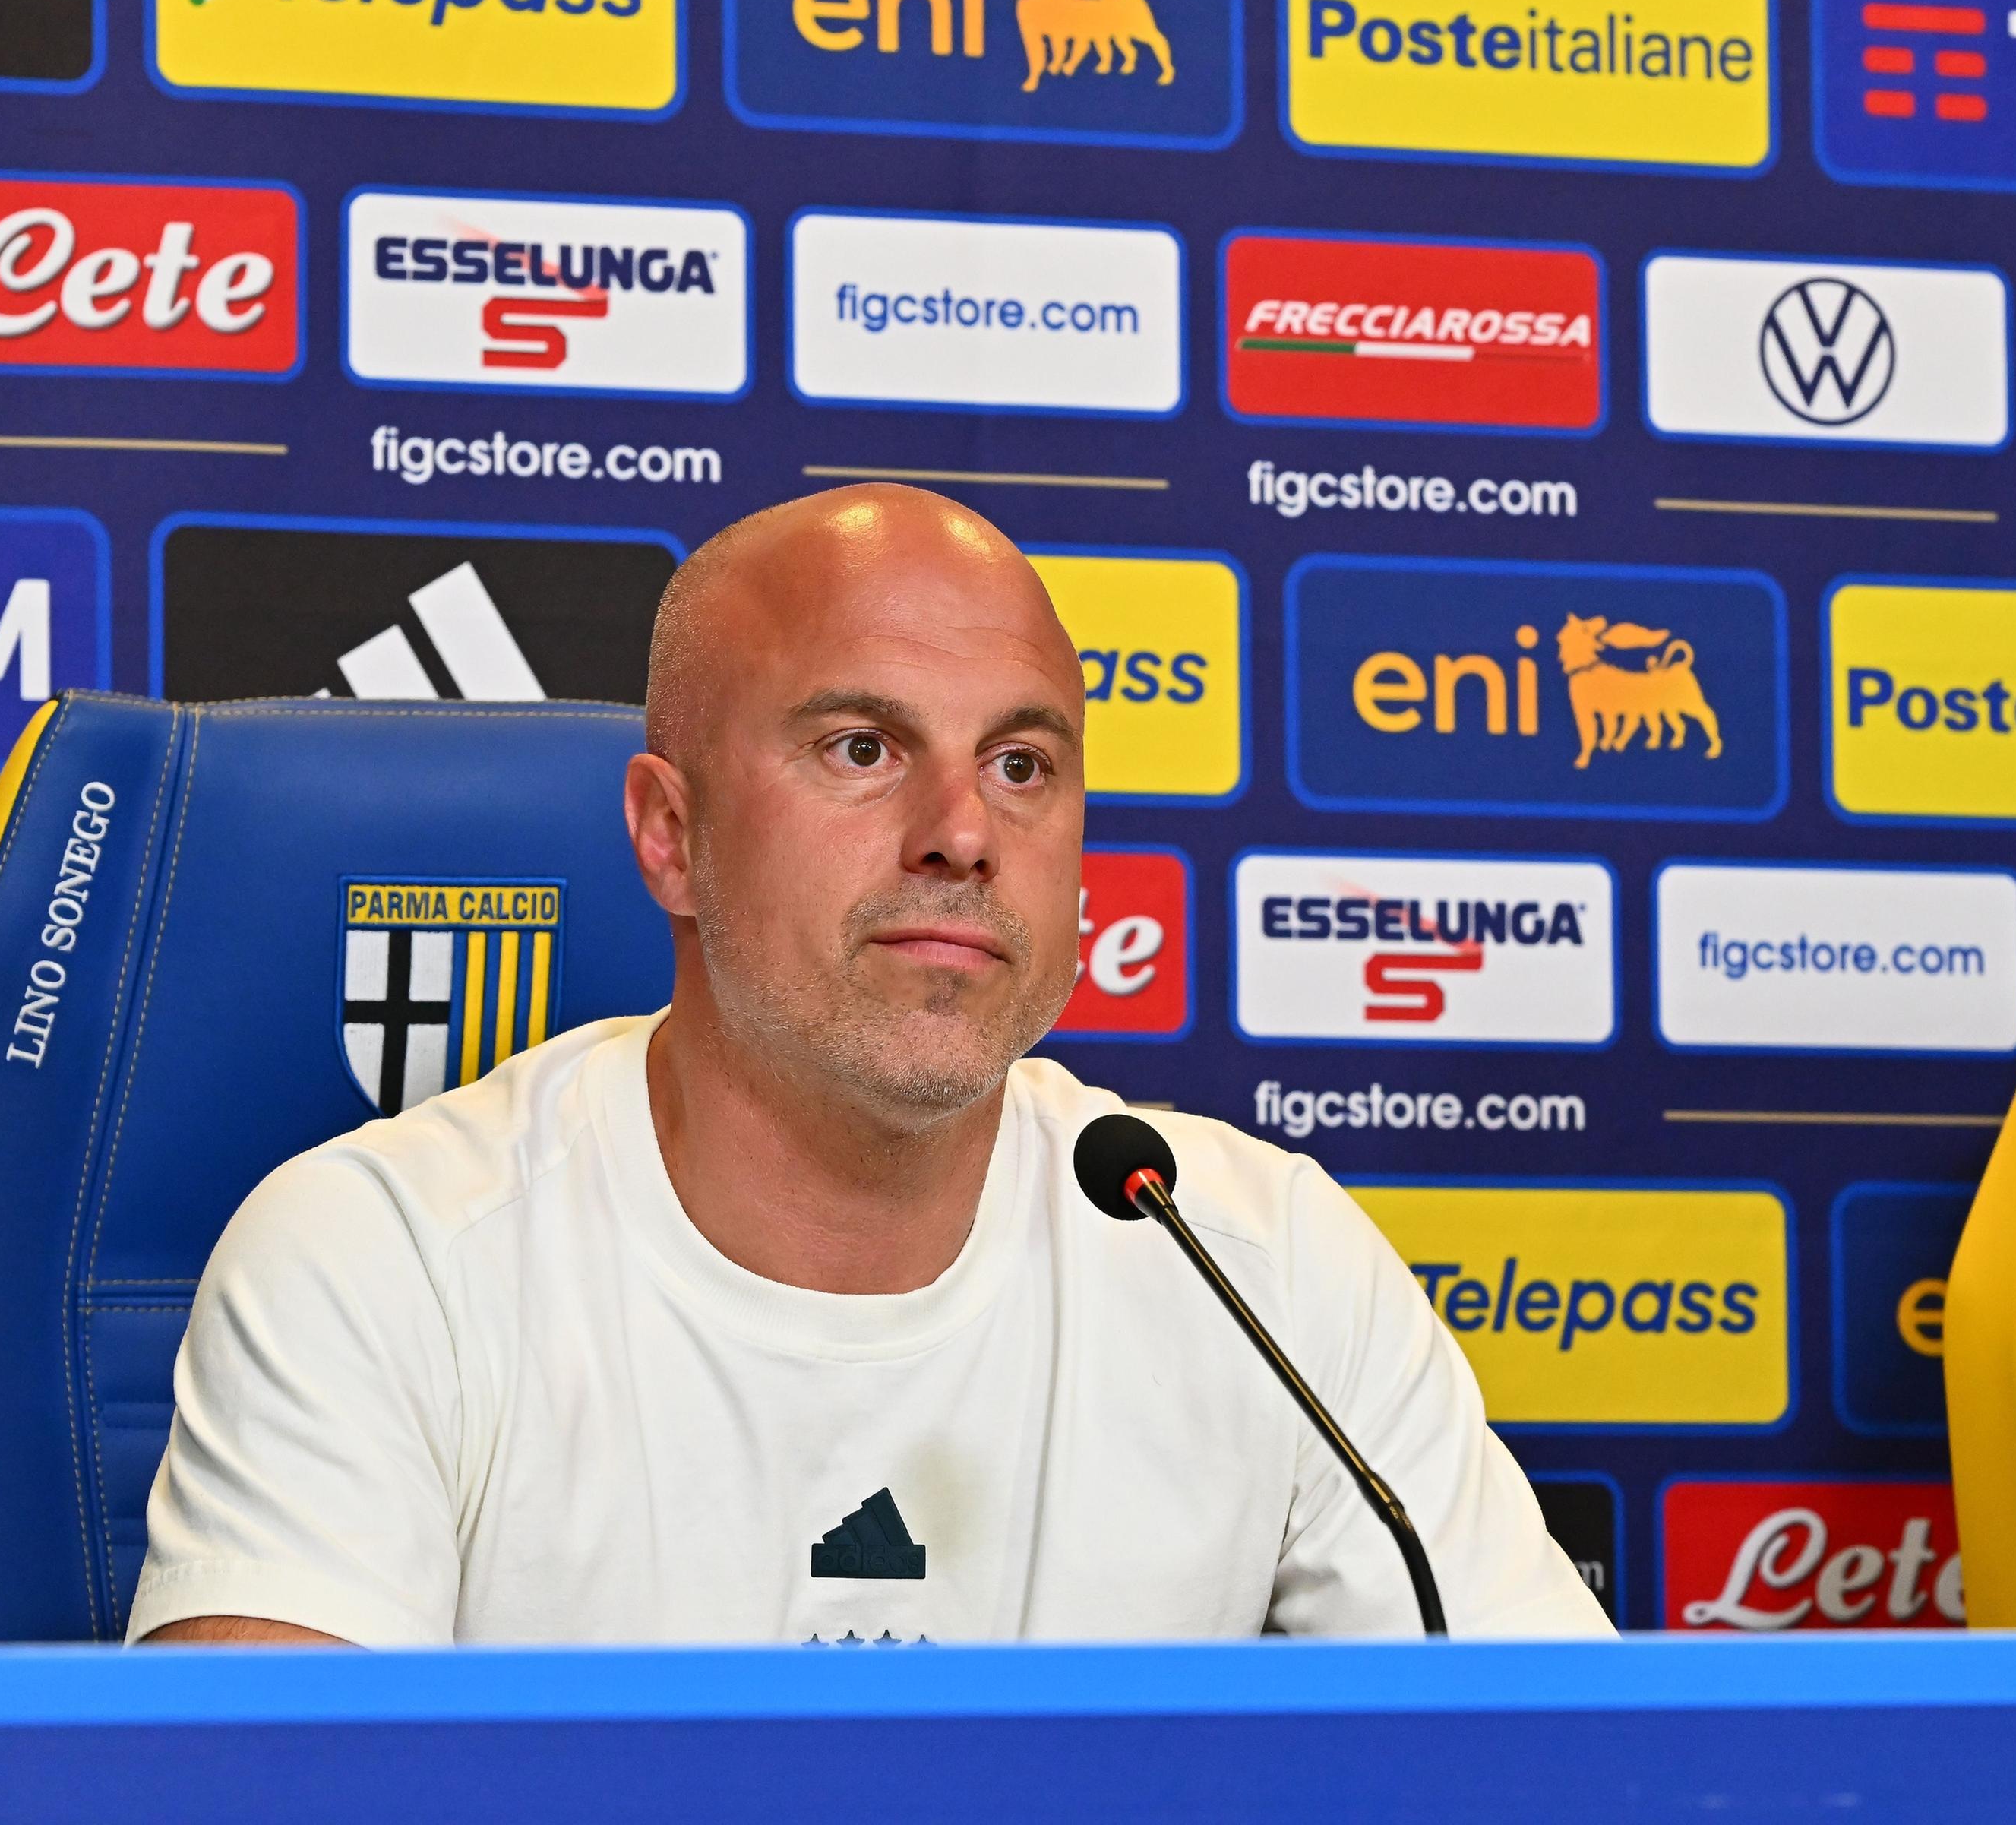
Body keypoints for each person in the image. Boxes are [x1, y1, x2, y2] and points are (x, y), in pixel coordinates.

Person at [128, 483, 1611, 1646]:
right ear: (670, 834)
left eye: (1021, 765)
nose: (961, 831)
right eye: (861, 747)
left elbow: (1574, 1772)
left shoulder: (1260, 1263)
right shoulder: (383, 1260)